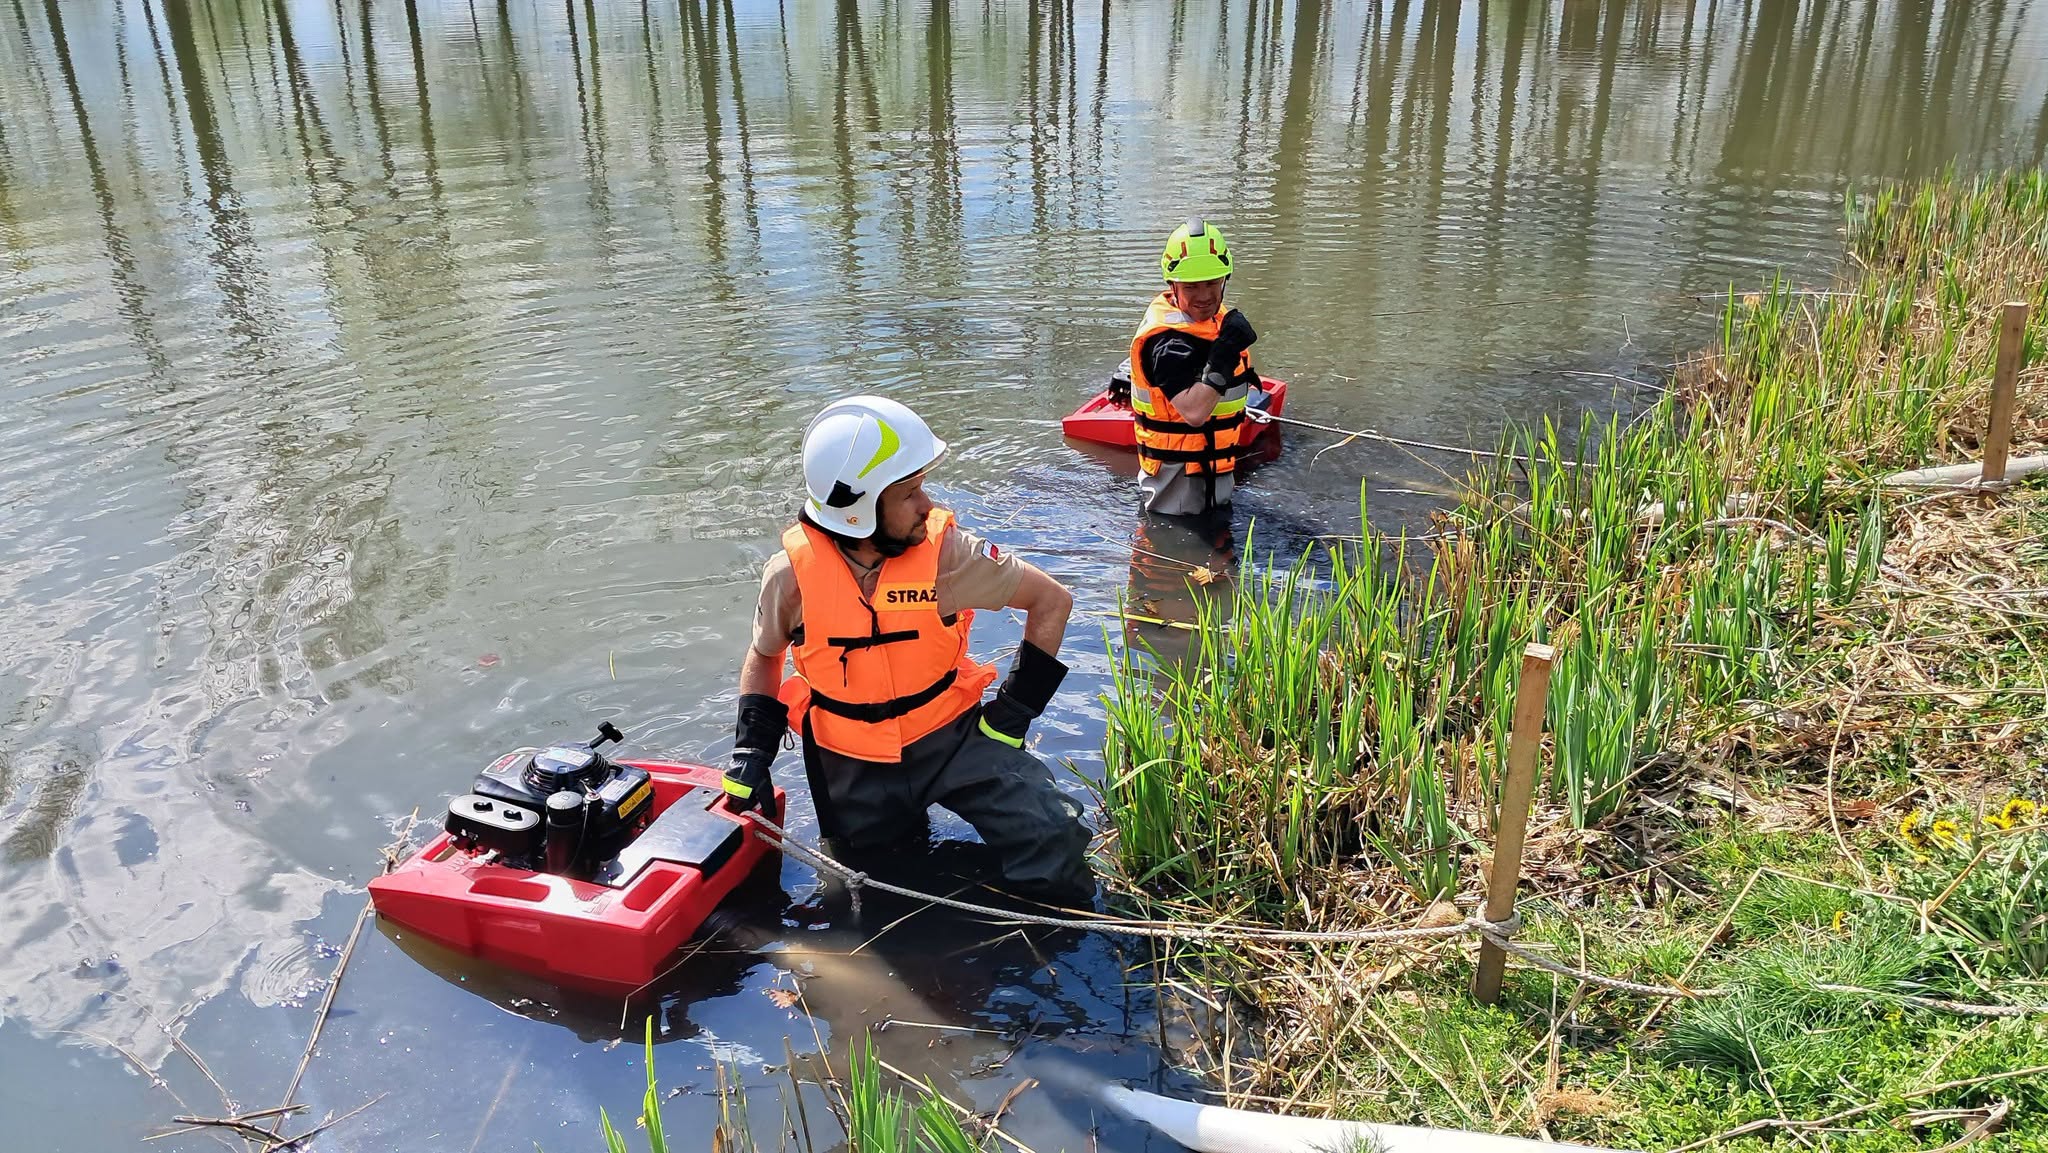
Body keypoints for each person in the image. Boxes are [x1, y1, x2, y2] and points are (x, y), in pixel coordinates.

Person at [721, 396, 1094, 902]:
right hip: (849, 760)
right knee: (866, 887)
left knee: (1056, 840)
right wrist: (751, 751)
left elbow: (1052, 601)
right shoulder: (790, 577)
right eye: (909, 493)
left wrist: (1012, 716)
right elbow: (765, 654)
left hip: (955, 738)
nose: (928, 506)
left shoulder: (950, 556)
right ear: (859, 509)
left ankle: (1048, 942)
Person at [1116, 217, 1265, 516]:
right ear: (1173, 285)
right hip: (1177, 489)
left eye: (1212, 283)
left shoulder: (1206, 322)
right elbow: (1195, 412)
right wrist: (1224, 355)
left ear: (1225, 279)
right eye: (1192, 286)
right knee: (1181, 553)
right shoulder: (1168, 344)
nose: (1204, 296)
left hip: (1211, 469)